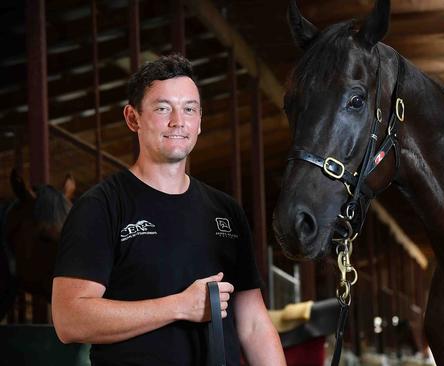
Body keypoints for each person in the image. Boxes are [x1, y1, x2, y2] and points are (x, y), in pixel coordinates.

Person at [51, 54, 286, 366]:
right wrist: (179, 306)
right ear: (132, 118)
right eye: (163, 109)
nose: (178, 121)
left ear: (200, 121)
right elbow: (69, 319)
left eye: (189, 109)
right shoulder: (101, 207)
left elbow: (254, 323)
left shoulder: (226, 212)